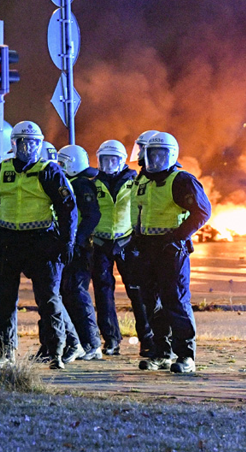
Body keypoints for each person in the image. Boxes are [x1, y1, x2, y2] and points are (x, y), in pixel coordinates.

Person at [0, 121, 77, 369]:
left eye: (33, 143)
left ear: (39, 145)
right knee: (4, 301)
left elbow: (67, 208)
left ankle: (56, 352)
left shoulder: (49, 171)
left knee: (49, 299)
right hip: (7, 241)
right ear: (14, 145)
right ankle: (5, 353)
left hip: (41, 241)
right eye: (23, 143)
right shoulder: (2, 171)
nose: (28, 148)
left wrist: (67, 241)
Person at [131, 132, 211, 374]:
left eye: (161, 154)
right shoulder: (142, 180)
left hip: (171, 251)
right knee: (151, 304)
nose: (155, 159)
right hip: (146, 249)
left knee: (175, 302)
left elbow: (202, 212)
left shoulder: (181, 180)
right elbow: (137, 213)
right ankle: (161, 353)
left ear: (172, 155)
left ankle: (186, 356)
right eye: (151, 154)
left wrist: (177, 237)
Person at [90, 139, 152, 356]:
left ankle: (147, 339)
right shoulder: (93, 183)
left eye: (113, 159)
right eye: (105, 160)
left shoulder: (135, 181)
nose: (109, 164)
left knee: (137, 292)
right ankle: (111, 340)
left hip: (127, 241)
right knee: (103, 294)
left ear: (122, 161)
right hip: (100, 243)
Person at [53, 145, 103, 361]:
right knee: (68, 294)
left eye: (63, 163)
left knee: (77, 294)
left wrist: (76, 241)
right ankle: (80, 343)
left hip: (80, 250)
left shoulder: (82, 186)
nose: (60, 167)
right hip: (71, 247)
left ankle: (92, 344)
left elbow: (91, 216)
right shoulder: (71, 183)